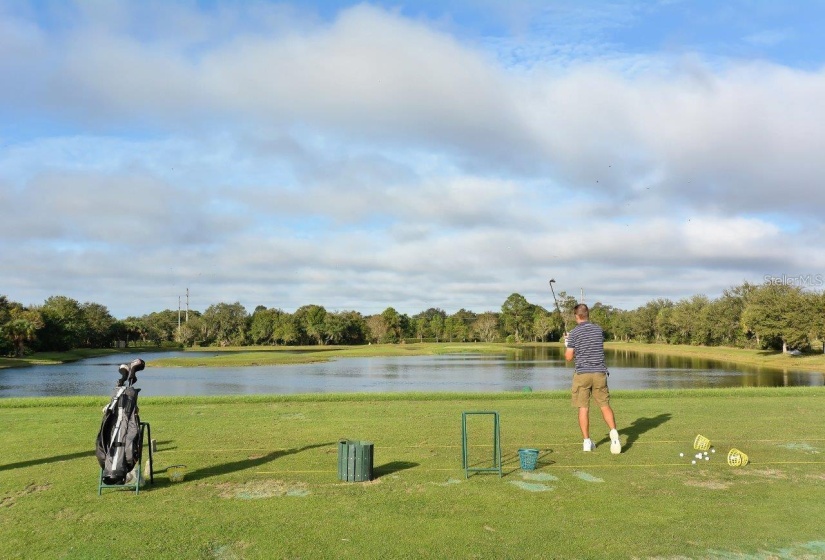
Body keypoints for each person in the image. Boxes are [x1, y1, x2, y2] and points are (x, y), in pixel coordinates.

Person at [564, 303, 621, 454]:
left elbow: (569, 357)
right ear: (588, 314)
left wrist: (568, 344)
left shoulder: (574, 333)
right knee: (604, 405)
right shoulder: (598, 330)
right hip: (599, 373)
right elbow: (592, 346)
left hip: (583, 374)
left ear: (576, 316)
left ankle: (587, 442)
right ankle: (614, 434)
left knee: (583, 408)